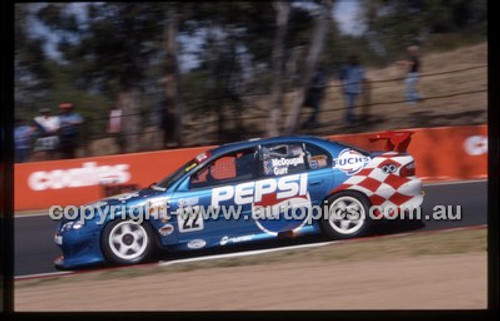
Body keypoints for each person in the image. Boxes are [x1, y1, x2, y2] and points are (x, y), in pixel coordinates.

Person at [339, 54, 365, 124]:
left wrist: (363, 86)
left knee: (353, 105)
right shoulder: (345, 68)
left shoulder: (360, 68)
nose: (354, 60)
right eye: (352, 58)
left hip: (356, 89)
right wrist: (342, 87)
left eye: (356, 58)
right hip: (348, 89)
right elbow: (341, 78)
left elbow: (362, 78)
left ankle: (350, 118)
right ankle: (350, 119)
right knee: (349, 105)